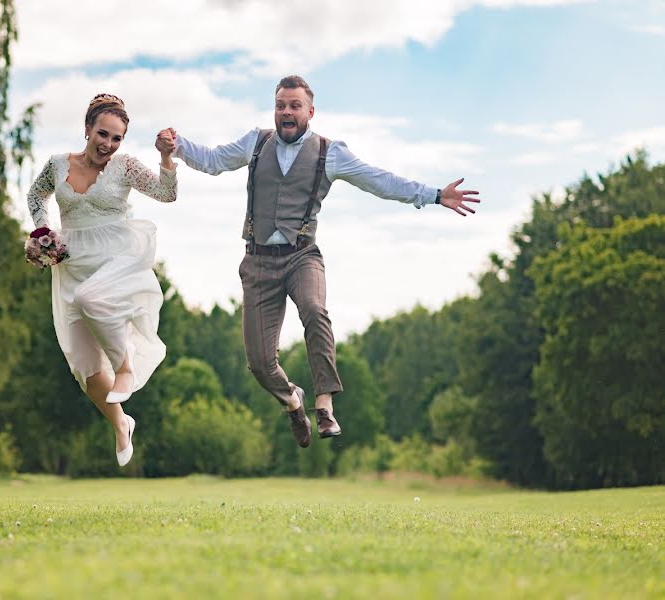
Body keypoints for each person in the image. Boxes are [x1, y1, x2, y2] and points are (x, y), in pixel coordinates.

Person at [157, 75, 479, 448]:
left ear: (310, 111)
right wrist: (177, 145)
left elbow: (380, 181)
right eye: (281, 106)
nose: (286, 112)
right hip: (258, 261)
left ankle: (324, 403)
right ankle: (294, 400)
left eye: (295, 106)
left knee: (314, 308)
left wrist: (435, 195)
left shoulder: (330, 153)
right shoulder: (255, 143)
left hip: (301, 256)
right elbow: (213, 161)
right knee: (260, 363)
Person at [27, 93, 178, 467]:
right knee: (86, 367)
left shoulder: (124, 167)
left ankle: (125, 367)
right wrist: (43, 232)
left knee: (92, 299)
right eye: (103, 134)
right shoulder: (57, 165)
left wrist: (165, 158)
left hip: (117, 259)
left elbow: (167, 193)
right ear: (87, 129)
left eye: (116, 139)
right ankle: (122, 423)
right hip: (72, 262)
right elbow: (35, 195)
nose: (108, 145)